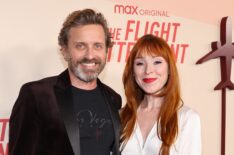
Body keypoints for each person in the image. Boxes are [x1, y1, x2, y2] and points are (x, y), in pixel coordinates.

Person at [9, 9, 122, 155]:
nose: (90, 55)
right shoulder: (36, 95)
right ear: (64, 50)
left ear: (107, 50)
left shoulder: (114, 98)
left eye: (97, 46)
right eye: (80, 46)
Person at [120, 34, 201, 155]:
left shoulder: (187, 118)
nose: (148, 70)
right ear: (132, 72)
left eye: (157, 62)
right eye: (140, 63)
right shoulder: (122, 116)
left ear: (169, 69)